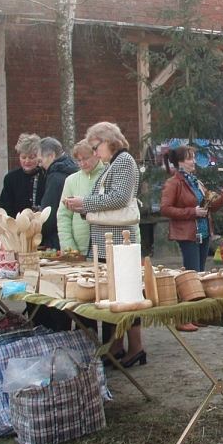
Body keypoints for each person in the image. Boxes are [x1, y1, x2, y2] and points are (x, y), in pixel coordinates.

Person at [64, 122, 145, 368]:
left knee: (125, 295)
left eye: (96, 146)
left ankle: (135, 348)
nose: (95, 153)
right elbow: (108, 200)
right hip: (109, 240)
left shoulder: (123, 162)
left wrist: (84, 202)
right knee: (115, 296)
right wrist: (81, 207)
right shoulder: (115, 163)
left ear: (109, 140)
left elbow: (119, 198)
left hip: (118, 241)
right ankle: (118, 345)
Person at [161, 145, 223, 331]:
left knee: (199, 274)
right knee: (190, 276)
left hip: (203, 233)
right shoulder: (173, 183)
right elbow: (165, 209)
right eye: (189, 158)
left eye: (193, 157)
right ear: (180, 162)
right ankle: (183, 317)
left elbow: (211, 207)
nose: (194, 161)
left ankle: (195, 314)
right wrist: (191, 212)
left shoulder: (196, 182)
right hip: (188, 235)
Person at [57, 140, 105, 254]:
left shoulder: (109, 175)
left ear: (96, 155)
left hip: (106, 245)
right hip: (80, 247)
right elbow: (63, 216)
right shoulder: (71, 180)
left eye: (86, 158)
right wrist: (69, 247)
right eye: (78, 160)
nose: (82, 163)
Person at [37, 137, 78, 250]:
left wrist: (38, 232)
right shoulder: (72, 169)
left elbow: (49, 213)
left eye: (41, 160)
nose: (40, 165)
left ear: (51, 156)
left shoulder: (55, 177)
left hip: (57, 239)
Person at [0, 133, 46, 217]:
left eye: (31, 157)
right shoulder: (11, 179)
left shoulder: (47, 176)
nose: (27, 161)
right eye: (23, 157)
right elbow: (5, 207)